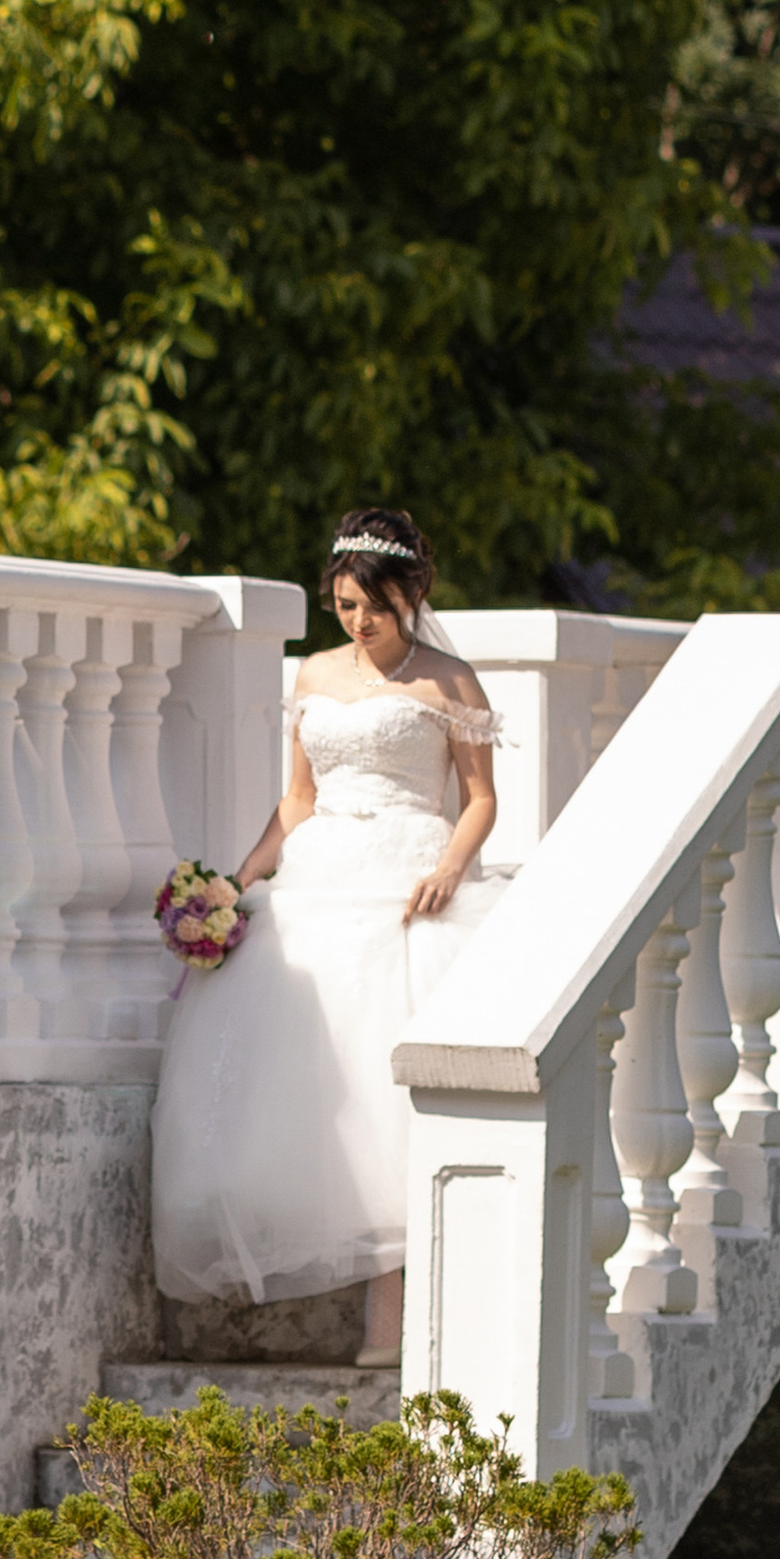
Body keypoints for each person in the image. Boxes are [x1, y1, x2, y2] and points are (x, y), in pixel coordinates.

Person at [150, 505, 503, 1365]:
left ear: (411, 592)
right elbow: (298, 800)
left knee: (391, 1099)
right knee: (309, 1087)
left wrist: (450, 867)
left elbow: (481, 798)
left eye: (375, 605)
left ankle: (393, 1329)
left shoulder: (451, 682)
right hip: (319, 879)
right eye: (346, 605)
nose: (359, 621)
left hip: (407, 886)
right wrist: (238, 884)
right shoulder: (313, 674)